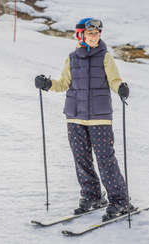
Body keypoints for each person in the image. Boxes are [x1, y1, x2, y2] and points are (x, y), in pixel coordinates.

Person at [35, 18, 135, 221]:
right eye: (90, 33)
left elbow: (114, 80)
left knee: (106, 160)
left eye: (97, 33)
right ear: (80, 35)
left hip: (99, 118)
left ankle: (120, 201)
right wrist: (46, 84)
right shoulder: (72, 58)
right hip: (75, 118)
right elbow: (63, 84)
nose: (95, 37)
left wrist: (121, 88)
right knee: (81, 160)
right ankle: (92, 196)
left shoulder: (105, 57)